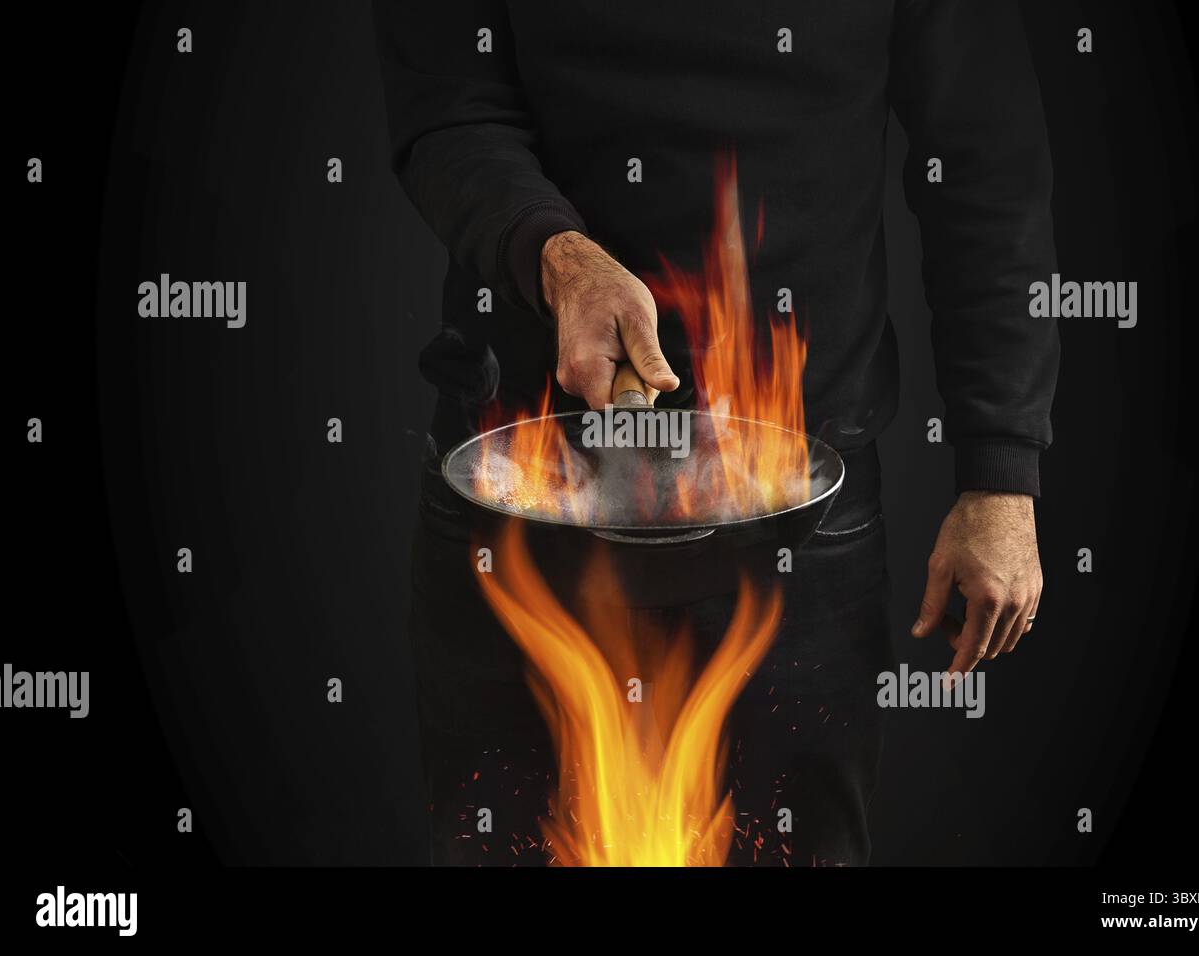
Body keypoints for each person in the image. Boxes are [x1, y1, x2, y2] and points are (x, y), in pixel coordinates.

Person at [373, 0, 1057, 865]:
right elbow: (448, 107)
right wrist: (556, 255)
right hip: (524, 487)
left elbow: (984, 157)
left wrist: (1001, 471)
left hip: (796, 509)